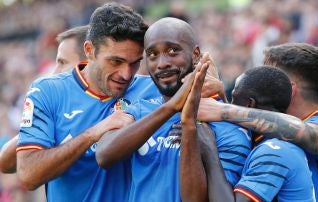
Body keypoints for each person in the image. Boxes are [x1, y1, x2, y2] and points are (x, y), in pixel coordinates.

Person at [96, 17, 252, 202]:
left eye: (172, 51)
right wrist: (171, 108)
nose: (162, 63)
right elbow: (104, 155)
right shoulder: (139, 111)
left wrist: (189, 128)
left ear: (195, 55)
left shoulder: (226, 126)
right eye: (152, 54)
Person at [16, 3, 149, 201]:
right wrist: (94, 133)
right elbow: (28, 175)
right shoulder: (48, 91)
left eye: (135, 62)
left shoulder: (151, 89)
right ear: (89, 50)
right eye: (115, 61)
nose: (126, 74)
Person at [198, 43, 318, 201]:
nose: (261, 76)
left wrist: (223, 110)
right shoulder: (271, 131)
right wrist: (220, 96)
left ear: (290, 89)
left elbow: (304, 134)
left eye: (270, 73)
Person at [195, 66, 315, 201]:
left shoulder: (275, 152)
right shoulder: (271, 142)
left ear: (249, 104)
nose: (230, 104)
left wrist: (209, 150)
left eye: (234, 98)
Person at [0, 25, 89, 174]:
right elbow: (5, 162)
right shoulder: (56, 107)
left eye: (62, 63)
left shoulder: (121, 106)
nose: (54, 73)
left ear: (88, 62)